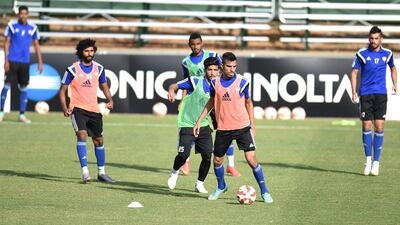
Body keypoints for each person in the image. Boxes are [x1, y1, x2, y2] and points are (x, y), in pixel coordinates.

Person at [194, 52, 273, 203]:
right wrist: (199, 121)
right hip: (223, 128)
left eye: (234, 66)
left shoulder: (242, 82)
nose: (232, 69)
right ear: (222, 66)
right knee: (217, 160)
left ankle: (264, 191)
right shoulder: (214, 83)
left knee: (251, 160)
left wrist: (252, 125)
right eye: (229, 66)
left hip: (242, 127)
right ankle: (221, 186)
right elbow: (211, 101)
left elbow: (249, 103)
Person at [180, 32, 240, 177]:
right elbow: (187, 82)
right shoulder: (186, 62)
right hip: (199, 101)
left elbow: (226, 72)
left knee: (225, 129)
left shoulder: (213, 55)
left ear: (202, 43)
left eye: (198, 43)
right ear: (189, 45)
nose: (195, 47)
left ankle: (230, 165)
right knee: (193, 129)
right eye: (193, 44)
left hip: (217, 98)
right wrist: (183, 101)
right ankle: (185, 160)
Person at [59, 38, 115, 183]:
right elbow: (62, 90)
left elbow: (104, 86)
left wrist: (109, 99)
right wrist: (65, 107)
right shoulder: (72, 69)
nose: (90, 53)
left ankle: (101, 173)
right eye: (86, 51)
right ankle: (85, 172)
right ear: (80, 52)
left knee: (99, 140)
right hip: (77, 109)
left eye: (92, 50)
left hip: (94, 110)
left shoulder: (99, 68)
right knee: (82, 135)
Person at [167, 57, 220, 193]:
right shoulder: (195, 81)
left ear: (219, 71)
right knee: (183, 155)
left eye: (215, 70)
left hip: (203, 125)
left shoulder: (220, 86)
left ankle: (199, 184)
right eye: (209, 70)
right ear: (205, 70)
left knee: (208, 155)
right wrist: (172, 91)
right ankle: (174, 172)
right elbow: (174, 86)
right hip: (187, 123)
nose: (212, 73)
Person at [351, 26, 397, 176]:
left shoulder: (388, 54)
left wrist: (395, 84)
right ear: (369, 39)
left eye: (376, 38)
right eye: (371, 38)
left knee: (379, 126)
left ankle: (376, 163)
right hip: (366, 94)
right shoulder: (362, 54)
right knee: (366, 125)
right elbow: (354, 71)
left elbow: (393, 68)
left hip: (381, 95)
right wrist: (353, 91)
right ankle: (368, 160)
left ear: (381, 39)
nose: (374, 41)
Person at [0, 5, 43, 123]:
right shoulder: (12, 26)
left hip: (25, 62)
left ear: (27, 15)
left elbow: (37, 45)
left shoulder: (33, 28)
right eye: (21, 13)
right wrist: (6, 60)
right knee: (6, 85)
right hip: (12, 61)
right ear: (18, 14)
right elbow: (6, 43)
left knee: (24, 88)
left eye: (25, 14)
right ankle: (1, 113)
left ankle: (22, 115)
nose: (23, 16)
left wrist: (40, 62)